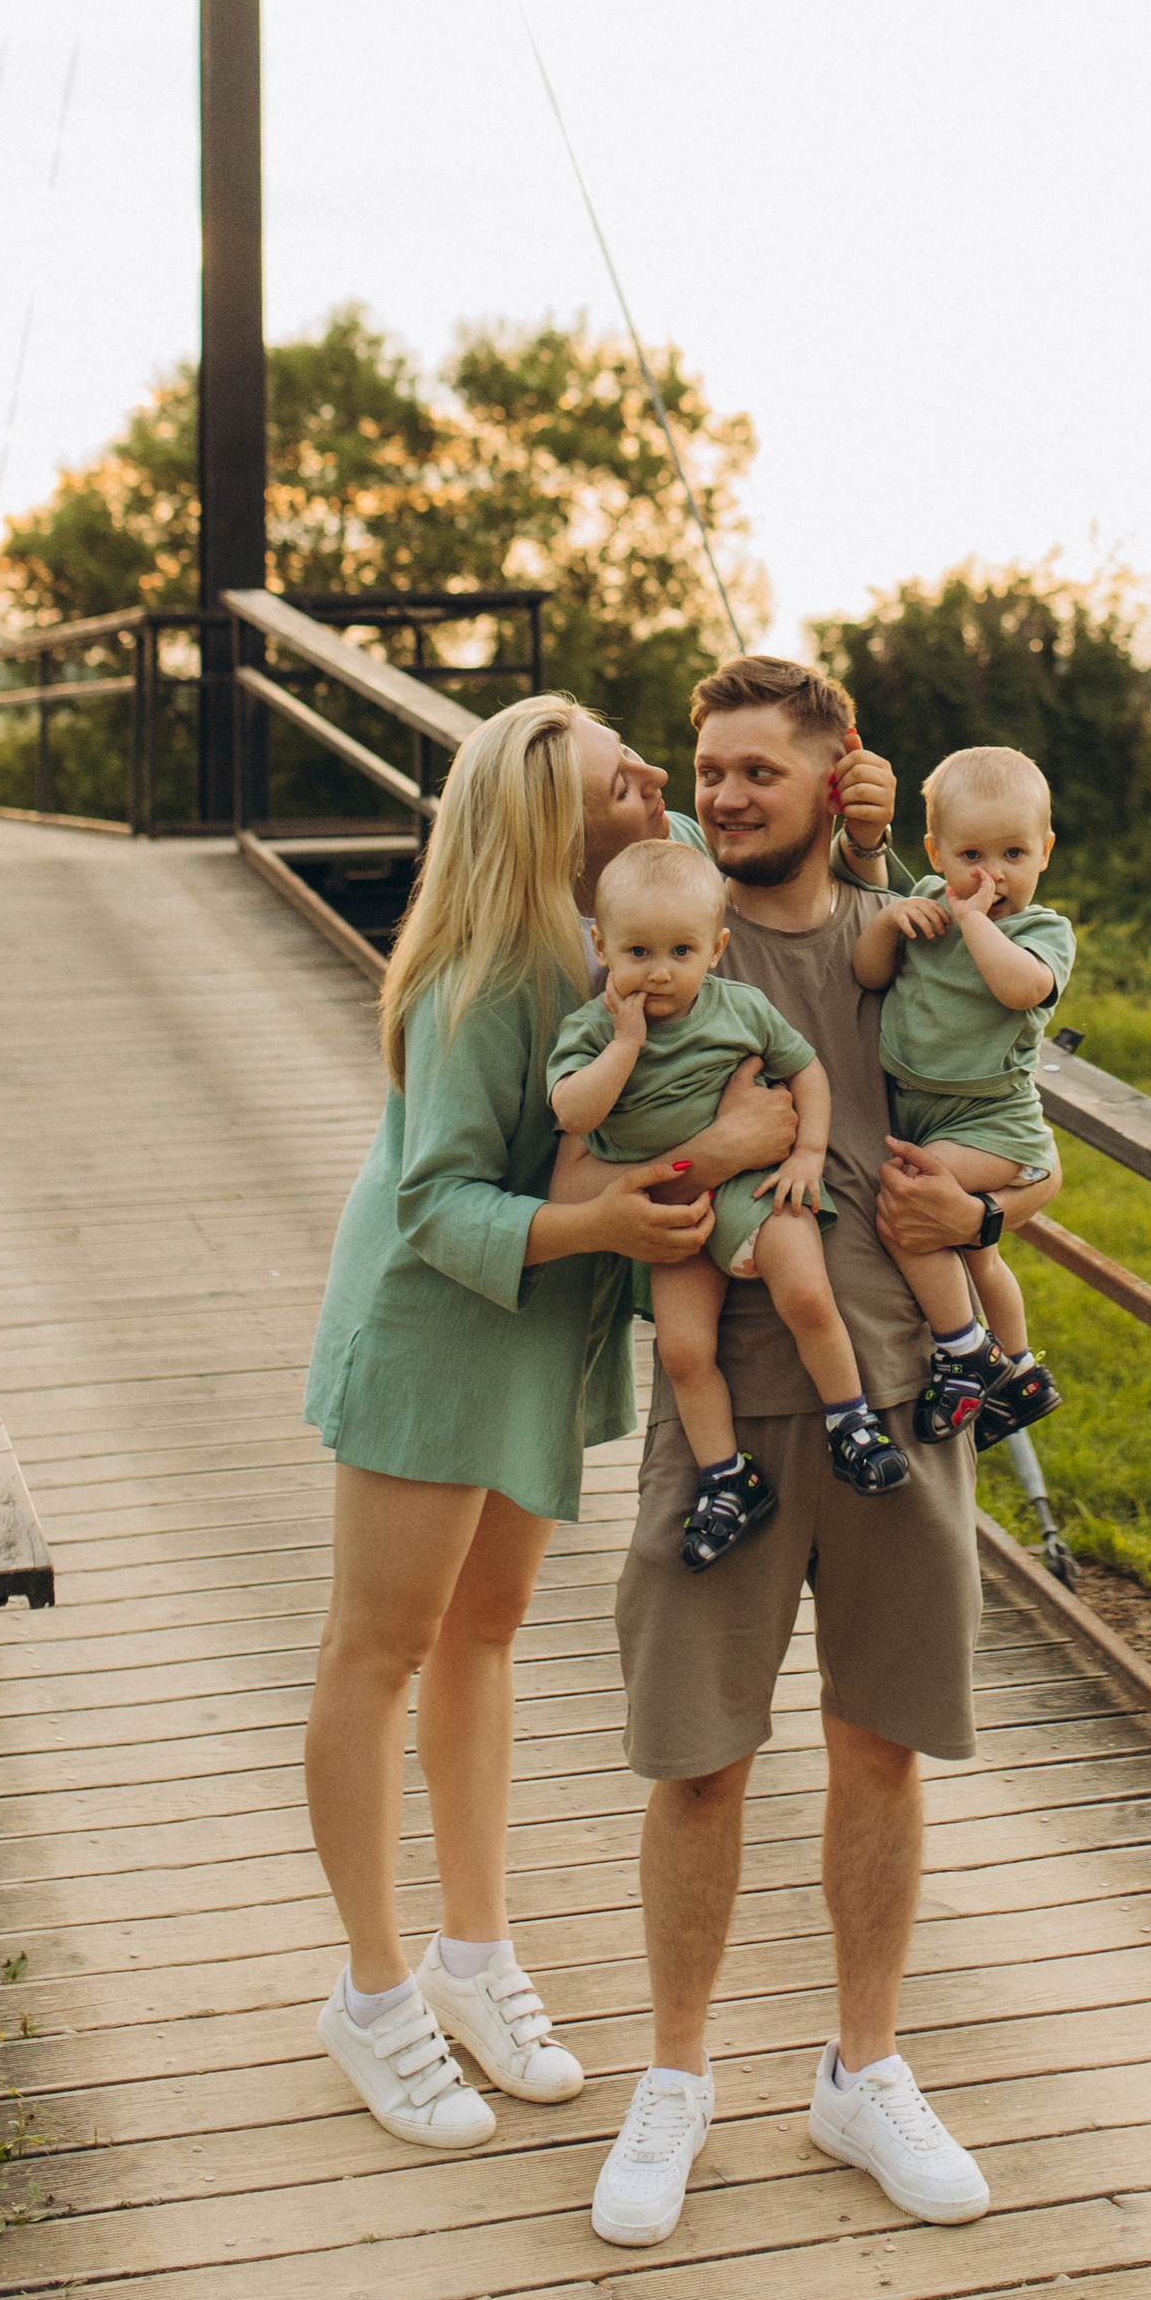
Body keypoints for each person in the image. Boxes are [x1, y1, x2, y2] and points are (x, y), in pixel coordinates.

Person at [591, 656, 1063, 2253]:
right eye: (705, 768)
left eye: (758, 771)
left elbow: (1018, 1097)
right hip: (724, 1394)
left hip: (907, 1394)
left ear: (839, 774)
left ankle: (864, 2069)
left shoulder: (910, 924)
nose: (723, 793)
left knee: (880, 1738)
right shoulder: (664, 946)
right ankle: (674, 2079)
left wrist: (987, 1215)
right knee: (700, 1752)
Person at [299, 696, 801, 2152]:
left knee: (486, 1634)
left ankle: (474, 1953)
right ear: (557, 825)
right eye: (627, 780)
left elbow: (766, 858)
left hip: (534, 1331)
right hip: (437, 1328)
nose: (663, 786)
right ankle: (375, 1993)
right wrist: (667, 1183)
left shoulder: (631, 915)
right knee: (379, 1647)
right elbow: (435, 1199)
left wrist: (865, 801)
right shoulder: (476, 975)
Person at [547, 834, 909, 1565]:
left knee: (807, 1292)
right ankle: (727, 1478)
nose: (658, 973)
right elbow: (573, 1114)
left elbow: (806, 1069)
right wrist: (623, 1046)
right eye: (637, 953)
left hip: (756, 1186)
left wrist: (808, 1152)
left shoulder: (739, 1008)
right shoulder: (592, 1030)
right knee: (683, 1352)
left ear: (715, 949)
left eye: (681, 952)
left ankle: (852, 1422)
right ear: (601, 946)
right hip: (676, 1217)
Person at [852, 743, 1072, 1445]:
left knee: (910, 1204)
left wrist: (974, 920)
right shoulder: (922, 906)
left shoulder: (1040, 931)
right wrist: (887, 924)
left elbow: (1022, 989)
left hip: (991, 1122)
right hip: (922, 1107)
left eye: (1013, 854)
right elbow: (868, 976)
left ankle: (962, 1351)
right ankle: (1021, 1370)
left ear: (1044, 852)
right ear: (935, 854)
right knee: (977, 1252)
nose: (992, 875)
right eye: (971, 855)